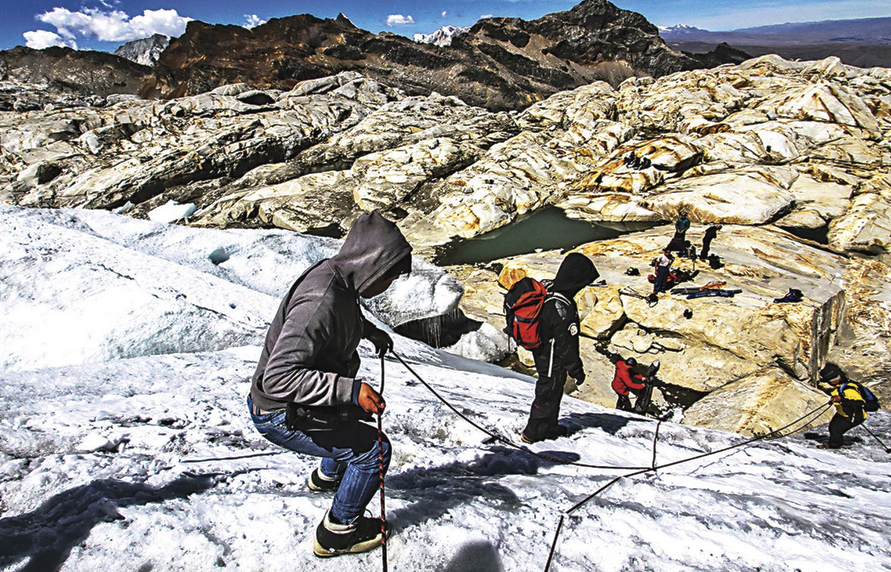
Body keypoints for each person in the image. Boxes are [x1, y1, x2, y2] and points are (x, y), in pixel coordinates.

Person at [248, 210, 413, 558]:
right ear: (373, 266)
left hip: (298, 404)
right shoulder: (320, 301)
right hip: (279, 412)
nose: (389, 285)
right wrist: (349, 390)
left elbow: (345, 310)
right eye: (390, 277)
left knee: (348, 420)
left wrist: (369, 331)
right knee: (374, 451)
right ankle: (338, 532)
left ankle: (325, 478)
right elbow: (278, 377)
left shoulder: (339, 277)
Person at [521, 252, 598, 444]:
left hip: (543, 352)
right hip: (551, 359)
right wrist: (576, 370)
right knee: (548, 391)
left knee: (552, 391)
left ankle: (549, 426)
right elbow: (567, 346)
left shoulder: (551, 289)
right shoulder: (562, 308)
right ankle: (532, 432)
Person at [821, 369, 867, 449]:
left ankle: (835, 446)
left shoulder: (849, 389)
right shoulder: (841, 386)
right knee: (834, 426)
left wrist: (841, 399)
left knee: (836, 429)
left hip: (853, 416)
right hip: (844, 413)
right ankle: (836, 443)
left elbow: (859, 403)